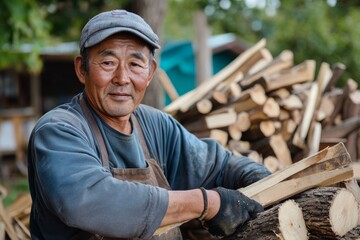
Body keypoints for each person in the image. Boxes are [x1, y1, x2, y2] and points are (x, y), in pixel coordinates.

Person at [27, 9, 271, 240]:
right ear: (82, 69)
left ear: (151, 71)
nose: (122, 78)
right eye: (108, 63)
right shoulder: (58, 130)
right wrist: (206, 203)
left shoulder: (156, 125)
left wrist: (263, 181)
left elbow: (219, 166)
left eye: (135, 64)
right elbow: (86, 200)